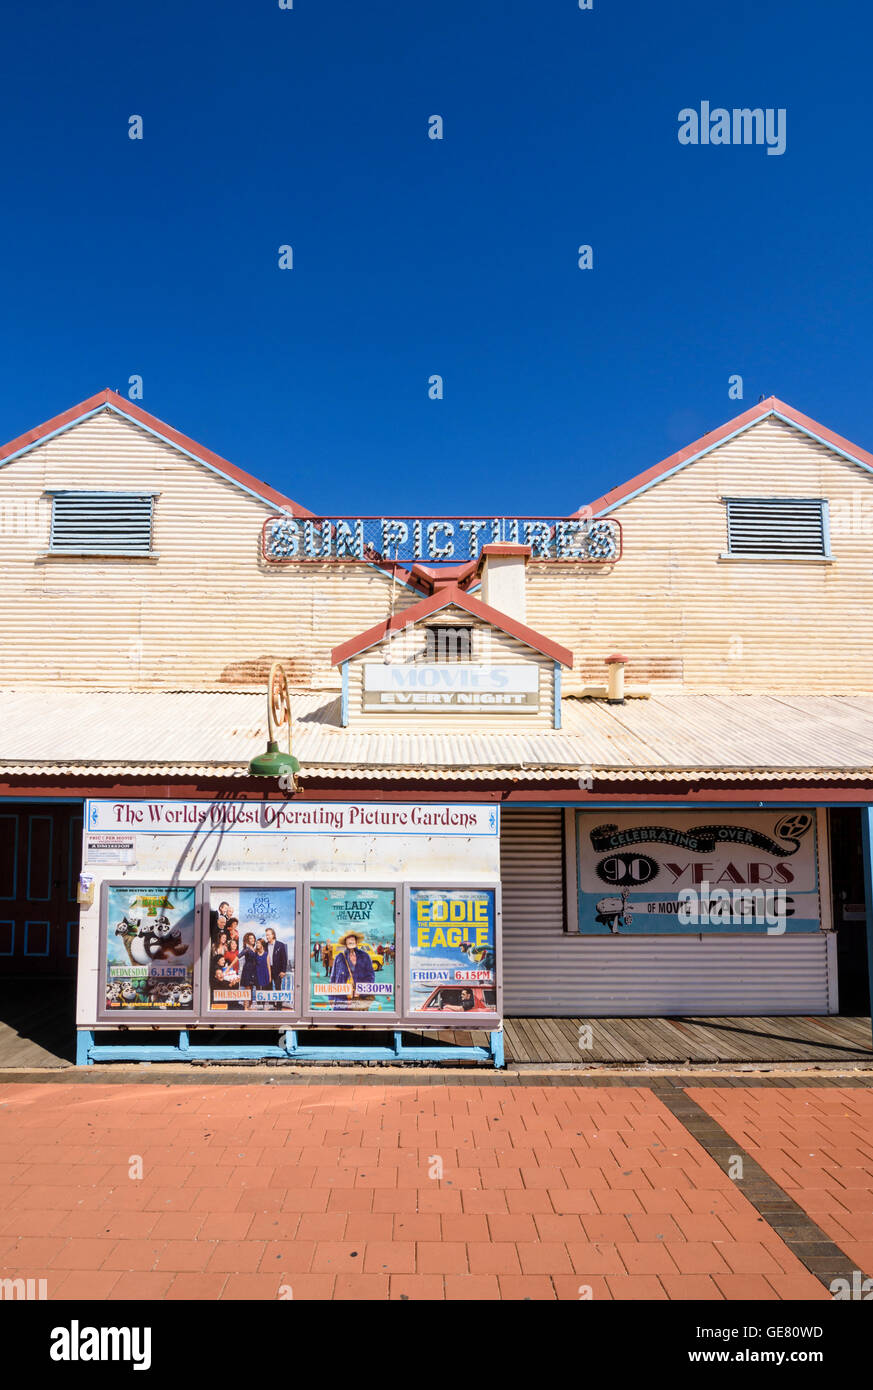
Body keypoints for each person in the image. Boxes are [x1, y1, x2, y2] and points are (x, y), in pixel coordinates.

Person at [329, 932, 375, 1009]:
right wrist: (331, 998)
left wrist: (361, 990)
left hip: (358, 1000)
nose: (350, 941)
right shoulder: (339, 958)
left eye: (352, 939)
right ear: (345, 943)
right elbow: (333, 978)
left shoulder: (365, 956)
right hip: (341, 999)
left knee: (358, 1020)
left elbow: (370, 977)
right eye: (348, 940)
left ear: (356, 942)